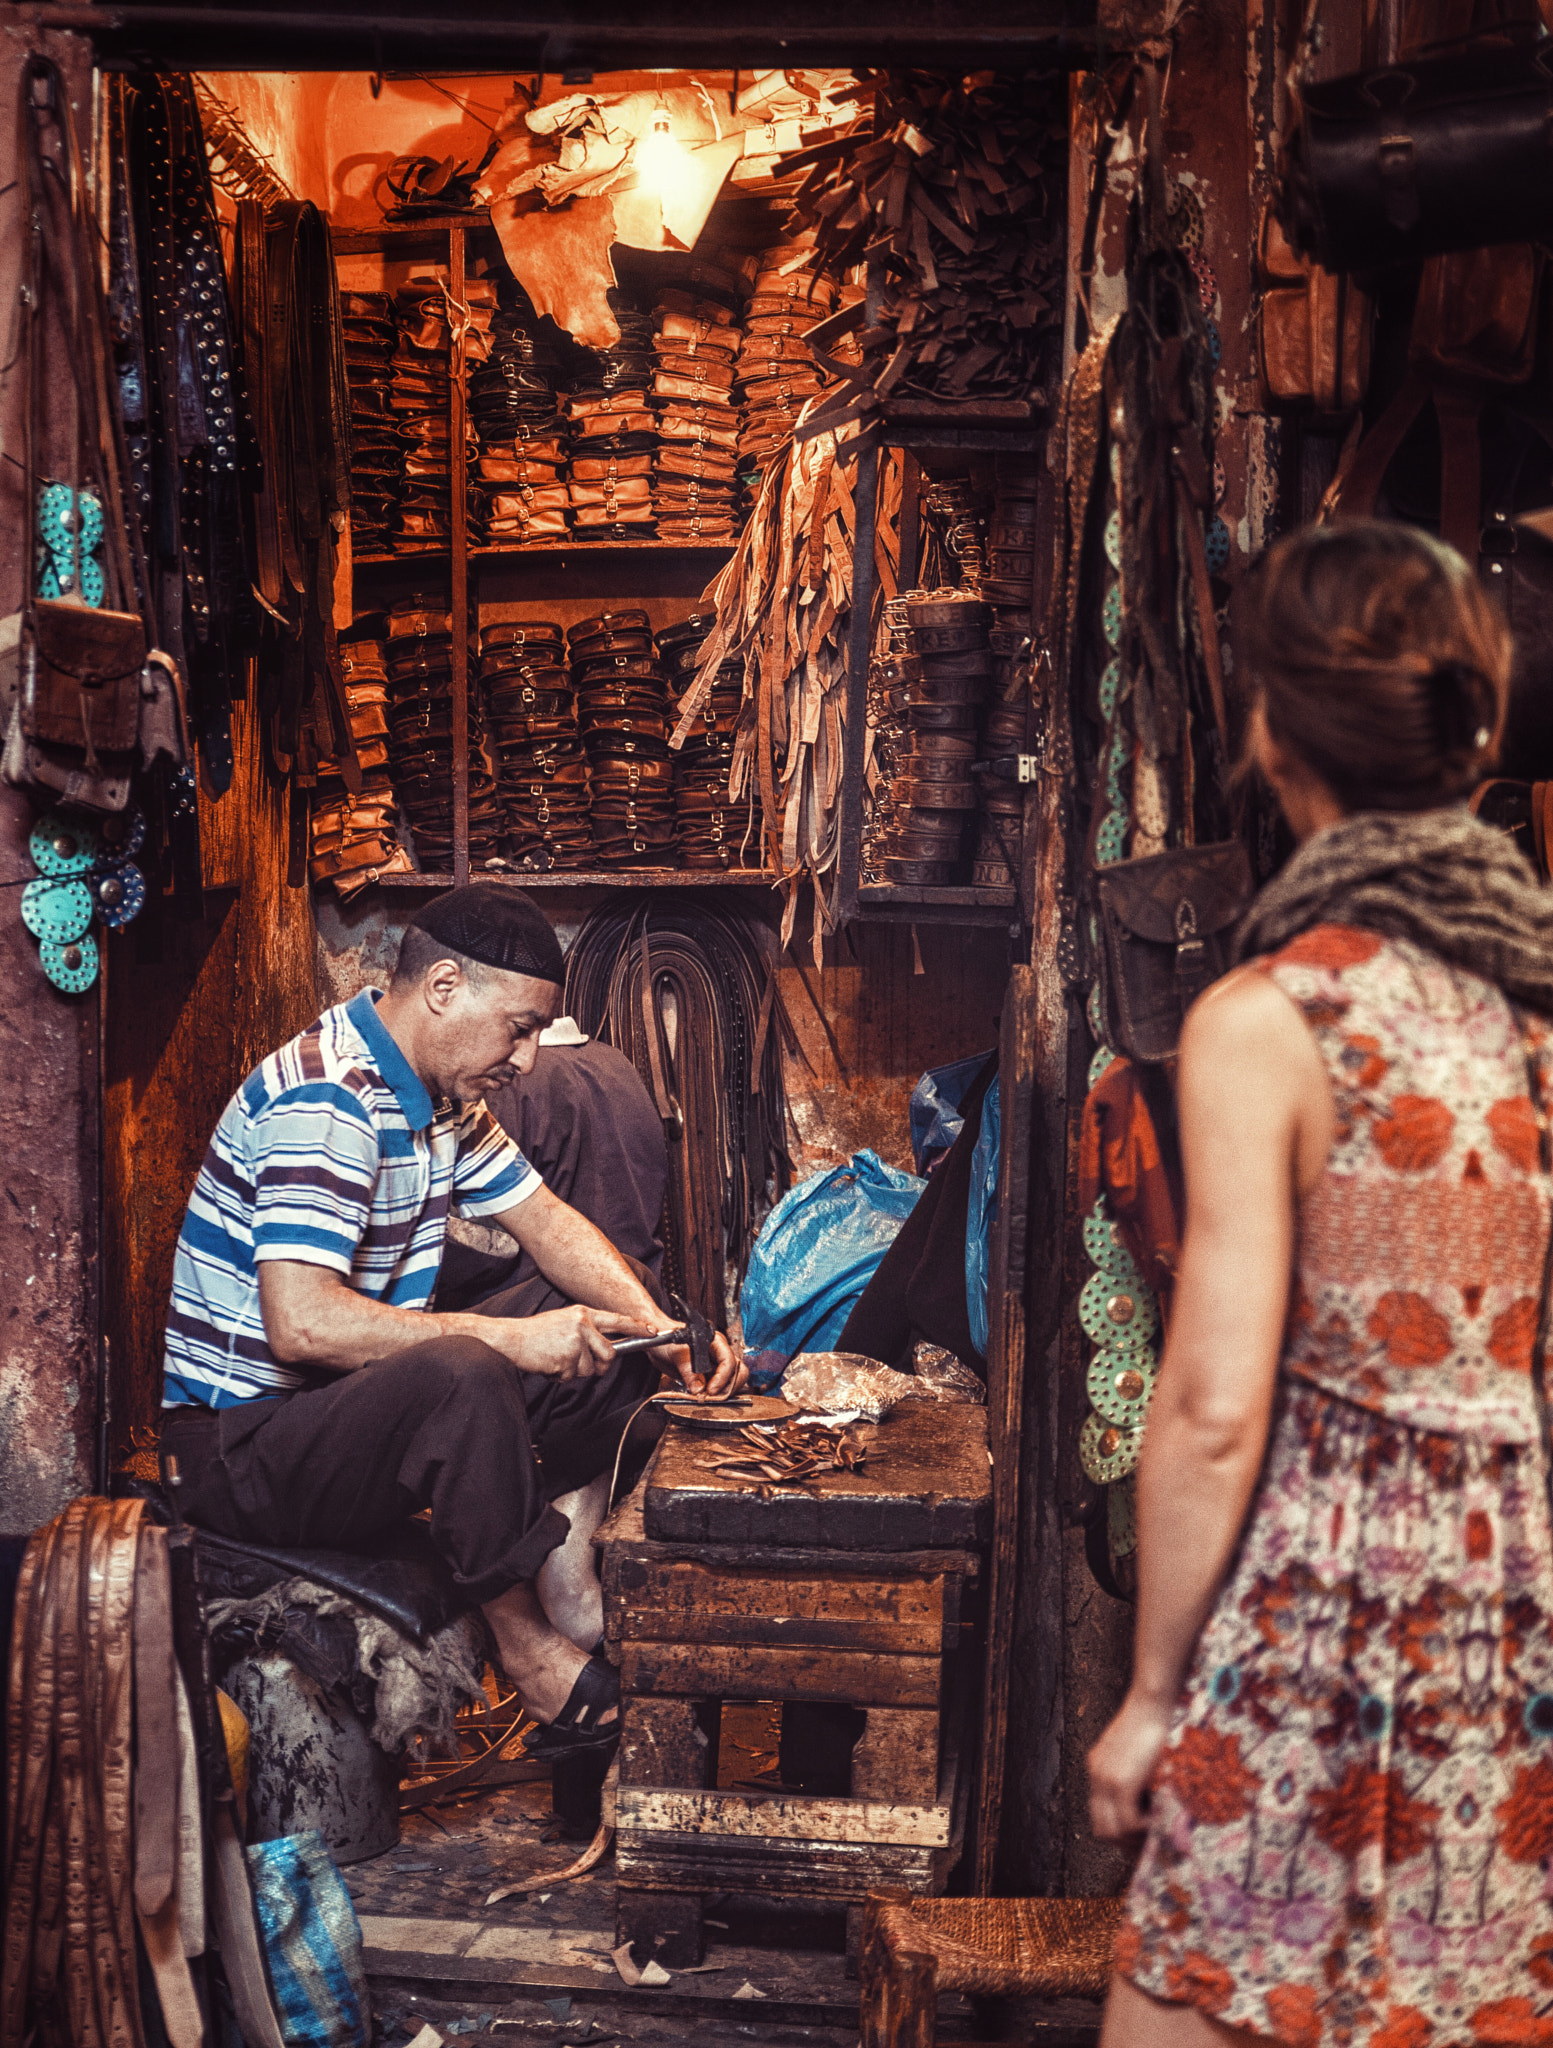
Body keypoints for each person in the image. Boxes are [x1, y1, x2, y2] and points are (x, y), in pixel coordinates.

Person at [1087, 521, 1553, 2048]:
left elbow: (1215, 1406)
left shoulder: (1270, 1017)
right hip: (1505, 1609)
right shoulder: (1531, 1008)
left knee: (1194, 2001)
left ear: (1270, 731)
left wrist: (1154, 1692)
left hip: (1325, 1591)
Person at [159, 882, 742, 1758]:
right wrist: (508, 1341)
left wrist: (661, 1333)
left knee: (607, 1309)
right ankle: (527, 1647)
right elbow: (302, 1325)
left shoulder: (437, 1101)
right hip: (240, 1449)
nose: (530, 1059)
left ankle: (560, 1571)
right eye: (519, 1026)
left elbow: (546, 1221)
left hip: (327, 1410)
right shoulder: (331, 1099)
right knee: (462, 1371)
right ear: (442, 989)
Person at [433, 1017, 669, 1316]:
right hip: (634, 1294)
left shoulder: (507, 1088)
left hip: (552, 1311)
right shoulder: (618, 1064)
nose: (525, 1060)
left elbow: (496, 1249)